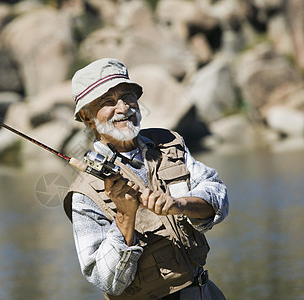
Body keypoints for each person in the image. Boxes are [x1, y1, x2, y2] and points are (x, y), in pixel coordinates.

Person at [63, 58, 229, 300]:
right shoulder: (83, 193)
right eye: (108, 102)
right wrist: (125, 217)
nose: (123, 108)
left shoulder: (170, 144)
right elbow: (105, 279)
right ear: (89, 118)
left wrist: (178, 204)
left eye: (127, 96)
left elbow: (218, 196)